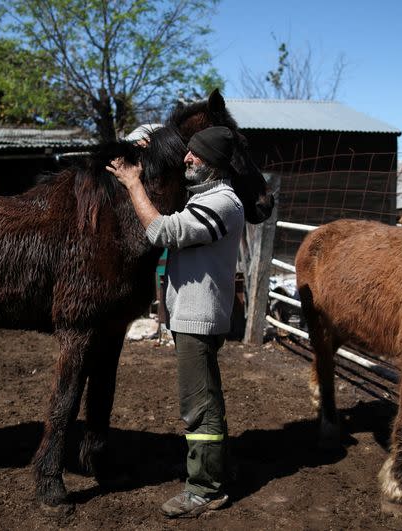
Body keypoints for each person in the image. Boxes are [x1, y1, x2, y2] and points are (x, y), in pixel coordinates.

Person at [106, 126, 242, 518]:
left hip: (198, 319)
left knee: (198, 406)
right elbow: (154, 134)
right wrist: (144, 140)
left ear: (214, 163)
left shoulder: (222, 203)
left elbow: (163, 232)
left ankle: (204, 489)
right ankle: (216, 468)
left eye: (195, 155)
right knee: (206, 398)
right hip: (193, 316)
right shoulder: (208, 196)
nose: (187, 158)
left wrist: (133, 184)